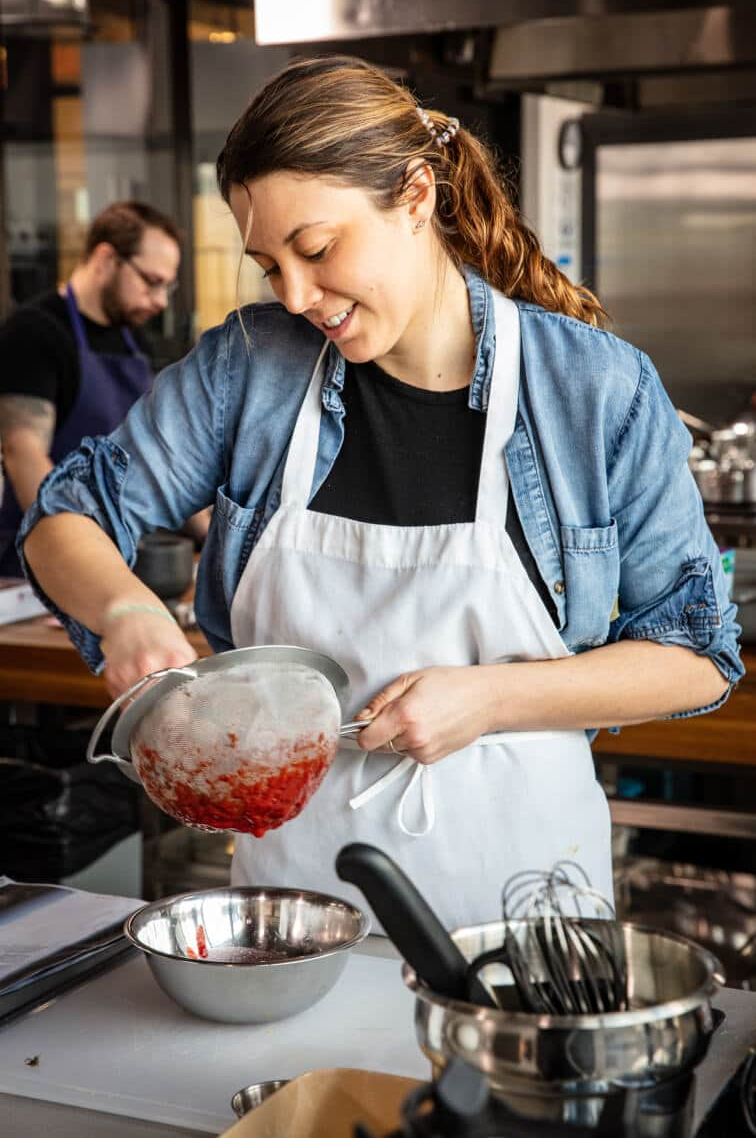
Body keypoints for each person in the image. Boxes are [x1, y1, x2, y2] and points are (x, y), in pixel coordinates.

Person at [19, 56, 743, 928]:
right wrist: (126, 610)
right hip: (295, 908)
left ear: (416, 197)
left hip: (523, 904)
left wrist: (487, 699)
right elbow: (66, 514)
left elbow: (697, 655)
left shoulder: (595, 390)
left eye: (317, 249)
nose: (296, 295)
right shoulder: (251, 367)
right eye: (267, 264)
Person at [0, 201, 184, 579]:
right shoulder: (34, 333)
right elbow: (24, 456)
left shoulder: (136, 343)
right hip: (42, 566)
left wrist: (216, 535)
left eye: (169, 286)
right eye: (152, 281)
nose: (162, 301)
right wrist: (85, 559)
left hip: (122, 555)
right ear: (105, 259)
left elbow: (160, 455)